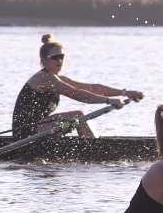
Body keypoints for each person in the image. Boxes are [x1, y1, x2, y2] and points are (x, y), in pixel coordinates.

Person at [11, 34, 142, 138]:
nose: (59, 61)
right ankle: (93, 150)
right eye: (55, 57)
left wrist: (125, 93)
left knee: (76, 116)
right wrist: (108, 101)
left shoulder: (58, 79)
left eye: (61, 56)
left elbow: (90, 88)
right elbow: (77, 94)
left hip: (40, 128)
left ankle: (89, 146)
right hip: (25, 132)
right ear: (44, 60)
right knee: (77, 115)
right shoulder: (44, 78)